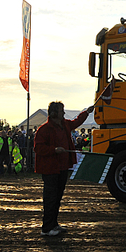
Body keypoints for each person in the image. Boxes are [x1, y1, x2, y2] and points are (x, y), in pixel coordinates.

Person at [34, 102, 94, 237]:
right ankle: (47, 228)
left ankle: (54, 224)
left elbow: (76, 122)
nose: (64, 113)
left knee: (57, 197)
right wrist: (54, 150)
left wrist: (87, 112)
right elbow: (38, 148)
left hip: (62, 167)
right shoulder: (44, 129)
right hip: (50, 169)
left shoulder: (65, 124)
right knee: (50, 199)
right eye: (62, 111)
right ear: (54, 113)